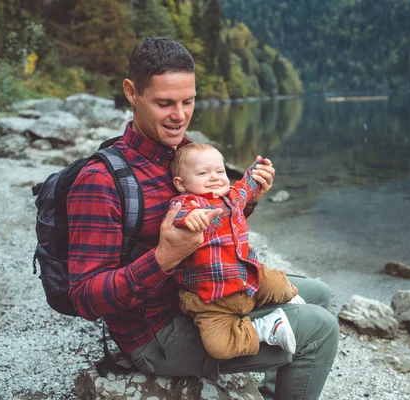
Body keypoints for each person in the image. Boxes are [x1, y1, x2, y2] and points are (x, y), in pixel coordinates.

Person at [67, 36, 339, 399]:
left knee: (318, 294)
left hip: (206, 291)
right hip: (158, 333)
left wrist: (250, 199)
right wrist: (163, 258)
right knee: (321, 330)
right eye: (164, 103)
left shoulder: (184, 152)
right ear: (131, 92)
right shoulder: (100, 181)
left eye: (188, 101)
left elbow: (218, 228)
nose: (179, 116)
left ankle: (272, 386)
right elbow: (83, 298)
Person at [170, 142, 305, 359]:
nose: (214, 177)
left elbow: (246, 186)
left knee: (278, 285)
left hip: (247, 278)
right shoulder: (188, 203)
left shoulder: (232, 197)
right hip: (210, 301)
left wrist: (258, 168)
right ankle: (266, 327)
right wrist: (188, 218)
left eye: (220, 171)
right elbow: (176, 216)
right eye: (203, 173)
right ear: (180, 183)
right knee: (218, 348)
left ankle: (291, 296)